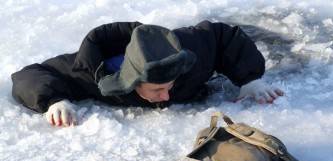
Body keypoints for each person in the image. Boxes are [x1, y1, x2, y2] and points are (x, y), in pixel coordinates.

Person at [11, 20, 284, 127]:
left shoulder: (188, 54)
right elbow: (29, 74)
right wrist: (53, 100)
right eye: (156, 90)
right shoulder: (92, 73)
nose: (166, 95)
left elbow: (224, 35)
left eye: (169, 86)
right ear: (131, 81)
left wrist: (250, 80)